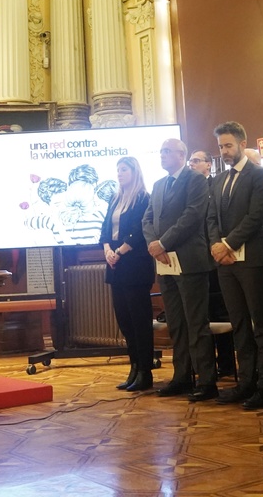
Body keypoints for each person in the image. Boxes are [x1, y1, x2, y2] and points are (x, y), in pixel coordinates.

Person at [207, 121, 263, 410]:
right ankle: (245, 381)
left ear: (241, 143)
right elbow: (211, 217)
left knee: (260, 324)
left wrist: (228, 244)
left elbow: (256, 216)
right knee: (239, 325)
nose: (224, 151)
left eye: (228, 145)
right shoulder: (219, 180)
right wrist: (215, 246)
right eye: (221, 146)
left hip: (251, 260)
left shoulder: (259, 176)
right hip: (225, 262)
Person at [144, 138, 216, 400]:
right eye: (160, 150)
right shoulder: (159, 184)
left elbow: (192, 215)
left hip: (189, 260)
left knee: (196, 323)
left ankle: (207, 381)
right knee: (176, 323)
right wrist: (155, 245)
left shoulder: (194, 179)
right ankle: (181, 377)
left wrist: (163, 242)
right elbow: (148, 218)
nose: (162, 155)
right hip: (164, 262)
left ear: (181, 155)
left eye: (167, 151)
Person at [100, 156, 155, 392]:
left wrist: (119, 252)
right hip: (116, 266)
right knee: (124, 319)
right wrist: (107, 251)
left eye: (124, 170)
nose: (119, 174)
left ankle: (145, 371)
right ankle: (133, 367)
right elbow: (105, 230)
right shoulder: (115, 198)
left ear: (134, 172)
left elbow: (139, 231)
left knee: (139, 319)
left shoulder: (143, 198)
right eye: (118, 170)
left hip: (134, 264)